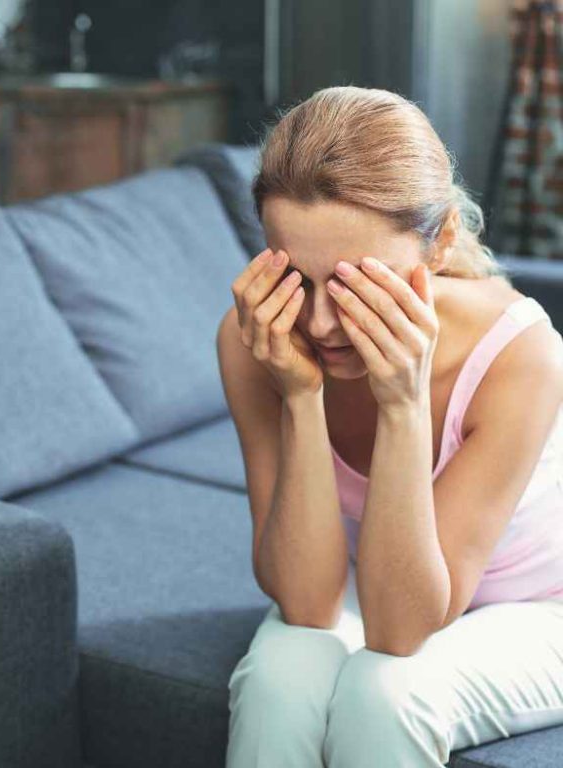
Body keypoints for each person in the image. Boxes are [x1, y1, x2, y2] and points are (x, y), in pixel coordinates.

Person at [216, 85, 563, 767]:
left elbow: (400, 631)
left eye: (354, 286)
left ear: (440, 246)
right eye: (297, 279)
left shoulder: (521, 355)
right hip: (379, 574)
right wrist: (299, 396)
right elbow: (307, 602)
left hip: (544, 608)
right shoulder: (254, 339)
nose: (317, 324)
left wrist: (402, 404)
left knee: (389, 692)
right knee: (278, 680)